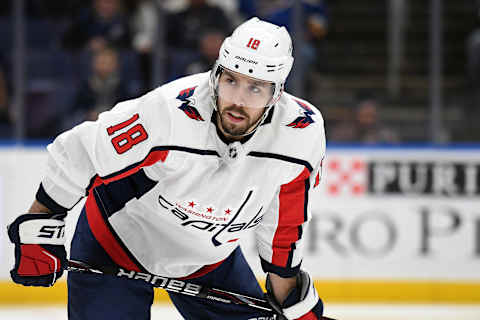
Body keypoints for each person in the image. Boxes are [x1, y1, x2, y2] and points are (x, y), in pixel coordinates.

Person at [7, 18, 326, 320]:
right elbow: (80, 151)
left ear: (277, 94)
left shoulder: (300, 134)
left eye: (255, 88)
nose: (237, 101)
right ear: (216, 74)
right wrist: (40, 222)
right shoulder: (169, 112)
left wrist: (290, 295)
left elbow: (284, 223)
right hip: (116, 244)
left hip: (208, 261)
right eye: (231, 81)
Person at [330, 95, 400, 144]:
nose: (368, 120)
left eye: (371, 116)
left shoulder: (387, 136)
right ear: (356, 115)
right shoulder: (341, 134)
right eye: (364, 116)